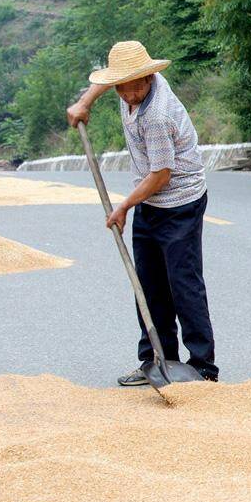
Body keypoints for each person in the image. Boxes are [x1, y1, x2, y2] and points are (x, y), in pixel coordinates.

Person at [66, 41, 218, 385]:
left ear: (148, 78)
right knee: (147, 284)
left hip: (180, 201)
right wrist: (84, 102)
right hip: (150, 202)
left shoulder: (158, 114)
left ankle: (203, 368)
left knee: (183, 283)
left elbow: (161, 176)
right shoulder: (126, 88)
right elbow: (107, 81)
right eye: (120, 87)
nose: (127, 94)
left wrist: (123, 206)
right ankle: (156, 359)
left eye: (133, 86)